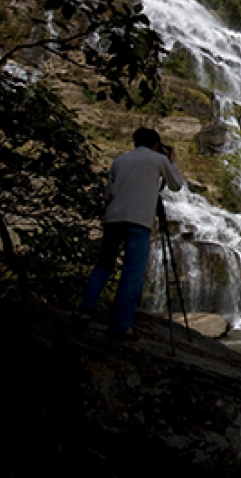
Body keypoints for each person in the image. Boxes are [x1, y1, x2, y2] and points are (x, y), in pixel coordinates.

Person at [77, 127, 184, 339]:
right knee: (132, 273)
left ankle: (84, 311)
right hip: (138, 220)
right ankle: (120, 326)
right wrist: (171, 161)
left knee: (103, 265)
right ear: (156, 144)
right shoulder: (158, 159)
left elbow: (109, 193)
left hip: (114, 218)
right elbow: (176, 185)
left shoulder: (120, 160)